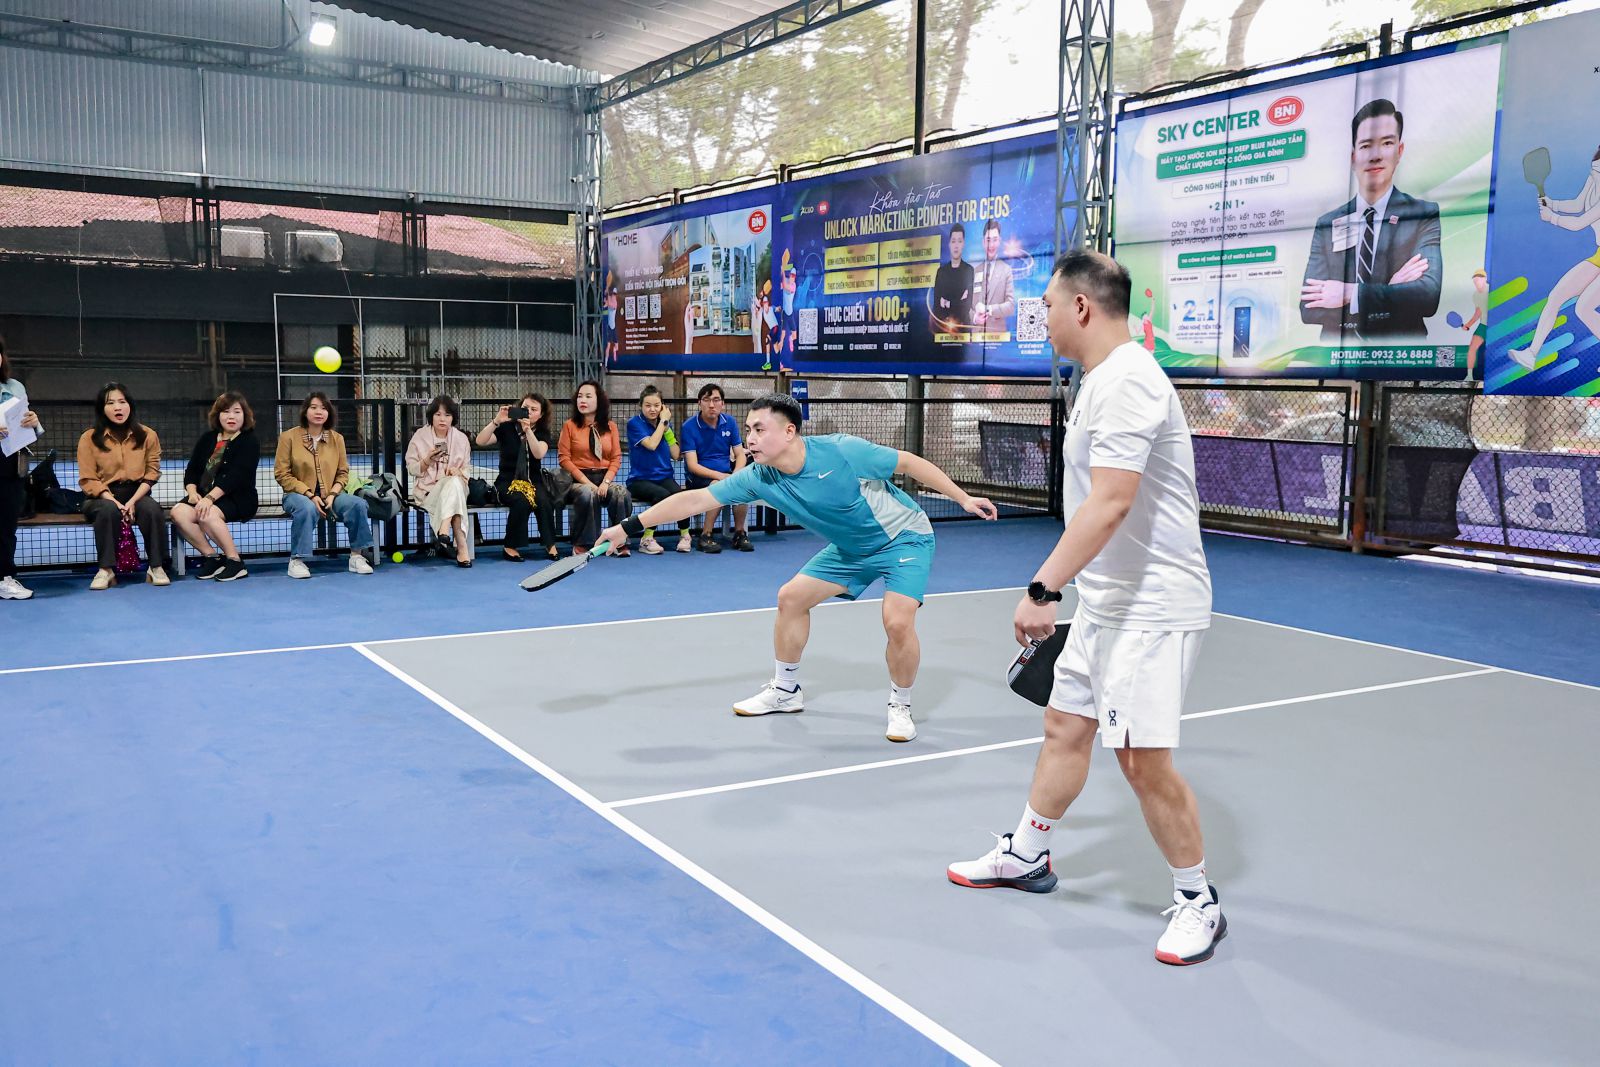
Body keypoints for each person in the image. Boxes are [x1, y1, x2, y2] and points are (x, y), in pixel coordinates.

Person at [945, 250, 1223, 967]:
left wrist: (1043, 588)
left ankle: (1198, 899)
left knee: (1141, 760)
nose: (1039, 316)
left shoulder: (1128, 380)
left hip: (1152, 606)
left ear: (1081, 306)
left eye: (1045, 304)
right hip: (1108, 599)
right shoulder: (1099, 380)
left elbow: (1112, 501)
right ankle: (1027, 853)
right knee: (1066, 726)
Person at [601, 392, 997, 743]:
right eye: (748, 430)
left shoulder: (841, 451)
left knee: (897, 621)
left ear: (789, 431)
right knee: (791, 598)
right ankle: (786, 691)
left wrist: (962, 498)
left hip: (903, 538)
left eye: (759, 429)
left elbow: (907, 463)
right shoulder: (757, 476)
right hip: (851, 548)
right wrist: (625, 528)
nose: (750, 439)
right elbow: (694, 500)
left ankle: (901, 704)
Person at [1301, 98, 1441, 340]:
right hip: (1337, 356)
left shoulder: (1422, 214)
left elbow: (1427, 297)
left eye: (1387, 143)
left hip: (1399, 354)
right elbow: (1309, 309)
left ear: (1399, 151)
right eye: (1366, 146)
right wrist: (1391, 290)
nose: (1375, 155)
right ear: (1353, 157)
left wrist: (1350, 294)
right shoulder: (1328, 223)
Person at [1508, 144, 1600, 370]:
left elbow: (1579, 223)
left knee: (1583, 307)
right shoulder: (1594, 175)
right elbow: (1578, 205)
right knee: (1556, 296)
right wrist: (1552, 203)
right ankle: (1531, 354)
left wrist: (1553, 218)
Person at [274, 392, 375, 578]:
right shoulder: (288, 437)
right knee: (306, 508)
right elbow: (282, 474)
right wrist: (310, 495)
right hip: (298, 496)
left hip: (331, 495)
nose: (319, 412)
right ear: (305, 411)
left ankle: (356, 556)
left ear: (329, 413)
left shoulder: (337, 439)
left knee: (357, 504)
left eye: (323, 408)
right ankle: (297, 560)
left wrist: (333, 494)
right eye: (313, 407)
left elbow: (343, 473)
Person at [77, 382, 168, 590]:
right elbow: (88, 479)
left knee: (152, 510)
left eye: (122, 402)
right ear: (102, 408)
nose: (117, 407)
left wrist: (133, 501)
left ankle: (156, 567)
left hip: (138, 492)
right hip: (101, 496)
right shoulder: (88, 438)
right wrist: (115, 502)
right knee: (108, 511)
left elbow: (151, 474)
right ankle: (106, 570)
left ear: (130, 405)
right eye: (110, 403)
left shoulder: (148, 435)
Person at [170, 391, 260, 582]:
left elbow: (236, 477)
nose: (231, 416)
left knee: (207, 514)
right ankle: (212, 557)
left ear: (245, 415)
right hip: (204, 496)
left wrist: (209, 499)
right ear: (218, 415)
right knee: (179, 512)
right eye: (226, 412)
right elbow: (192, 470)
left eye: (237, 412)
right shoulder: (207, 438)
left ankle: (235, 561)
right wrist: (192, 493)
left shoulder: (249, 441)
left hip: (238, 498)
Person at [476, 392, 561, 563]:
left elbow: (538, 453)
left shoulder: (542, 432)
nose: (528, 411)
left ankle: (550, 543)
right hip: (508, 481)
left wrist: (528, 431)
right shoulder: (507, 427)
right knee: (521, 500)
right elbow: (480, 441)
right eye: (525, 408)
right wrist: (496, 421)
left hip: (533, 480)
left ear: (541, 415)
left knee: (544, 501)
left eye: (534, 409)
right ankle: (510, 546)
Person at [558, 379, 632, 557]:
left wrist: (606, 482)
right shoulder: (569, 426)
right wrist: (587, 482)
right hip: (578, 480)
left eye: (588, 396)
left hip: (604, 478)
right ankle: (584, 543)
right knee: (587, 493)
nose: (582, 400)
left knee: (621, 493)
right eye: (580, 396)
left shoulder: (611, 427)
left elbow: (616, 458)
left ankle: (619, 541)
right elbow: (564, 459)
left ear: (599, 401)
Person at [678, 382, 752, 553]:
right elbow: (692, 465)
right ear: (699, 403)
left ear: (722, 403)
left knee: (742, 484)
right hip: (697, 478)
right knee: (718, 486)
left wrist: (736, 475)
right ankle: (706, 535)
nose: (712, 405)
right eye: (707, 400)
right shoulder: (689, 426)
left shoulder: (730, 422)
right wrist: (720, 476)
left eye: (716, 400)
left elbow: (740, 454)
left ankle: (739, 534)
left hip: (726, 474)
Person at [407, 394, 475, 567]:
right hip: (429, 492)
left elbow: (467, 470)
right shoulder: (420, 436)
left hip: (457, 488)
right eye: (438, 414)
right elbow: (411, 469)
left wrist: (458, 471)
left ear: (453, 418)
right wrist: (427, 460)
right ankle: (462, 548)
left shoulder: (461, 439)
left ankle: (444, 527)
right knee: (453, 489)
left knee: (453, 482)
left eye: (447, 415)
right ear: (431, 416)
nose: (442, 419)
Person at [625, 385, 690, 555]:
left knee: (681, 496)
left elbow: (675, 454)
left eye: (656, 405)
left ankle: (685, 535)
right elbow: (652, 444)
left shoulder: (664, 425)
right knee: (661, 495)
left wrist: (667, 430)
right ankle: (647, 539)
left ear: (662, 406)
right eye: (648, 405)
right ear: (641, 406)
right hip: (639, 480)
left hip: (664, 477)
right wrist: (663, 422)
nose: (652, 409)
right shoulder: (634, 424)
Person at [0, 336, 41, 600]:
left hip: (8, 465)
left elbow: (27, 426)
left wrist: (33, 422)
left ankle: (4, 577)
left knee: (6, 526)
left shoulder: (15, 387)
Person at [973, 218, 1016, 333]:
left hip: (997, 336)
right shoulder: (975, 271)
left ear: (999, 241)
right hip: (976, 337)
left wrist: (989, 309)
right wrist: (975, 318)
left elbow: (1011, 306)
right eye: (988, 240)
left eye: (995, 240)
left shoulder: (1006, 270)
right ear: (983, 242)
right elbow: (967, 305)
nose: (991, 245)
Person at [931, 223, 974, 333]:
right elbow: (937, 307)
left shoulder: (969, 270)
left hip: (963, 331)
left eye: (959, 241)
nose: (956, 246)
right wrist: (958, 302)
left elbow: (966, 306)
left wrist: (947, 303)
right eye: (953, 241)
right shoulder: (941, 272)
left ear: (963, 244)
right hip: (943, 330)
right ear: (949, 244)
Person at [1458, 268, 1489, 379]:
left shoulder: (1493, 290)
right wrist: (1468, 325)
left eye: (1478, 279)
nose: (1476, 282)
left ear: (1485, 279)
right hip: (1483, 325)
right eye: (1474, 281)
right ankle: (1469, 375)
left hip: (1496, 325)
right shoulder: (1475, 295)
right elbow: (1478, 312)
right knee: (1472, 347)